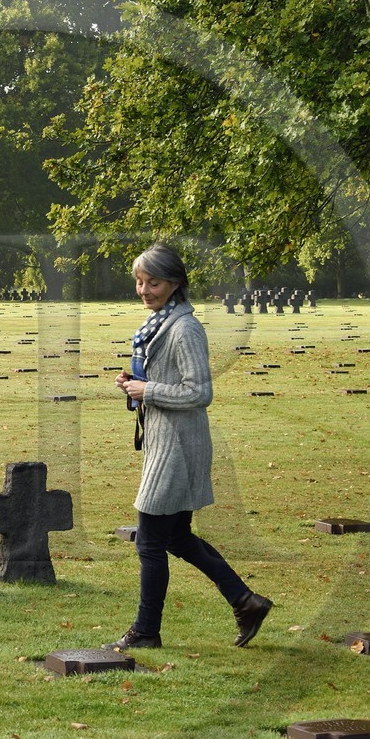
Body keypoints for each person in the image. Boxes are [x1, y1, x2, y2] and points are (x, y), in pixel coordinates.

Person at [107, 244, 271, 650]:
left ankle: (146, 631)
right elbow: (168, 383)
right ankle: (246, 601)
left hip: (178, 446)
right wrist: (136, 387)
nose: (144, 290)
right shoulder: (160, 323)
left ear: (175, 283)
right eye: (140, 282)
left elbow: (199, 392)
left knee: (149, 541)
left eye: (154, 282)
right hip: (166, 439)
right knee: (177, 537)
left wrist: (150, 389)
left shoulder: (184, 328)